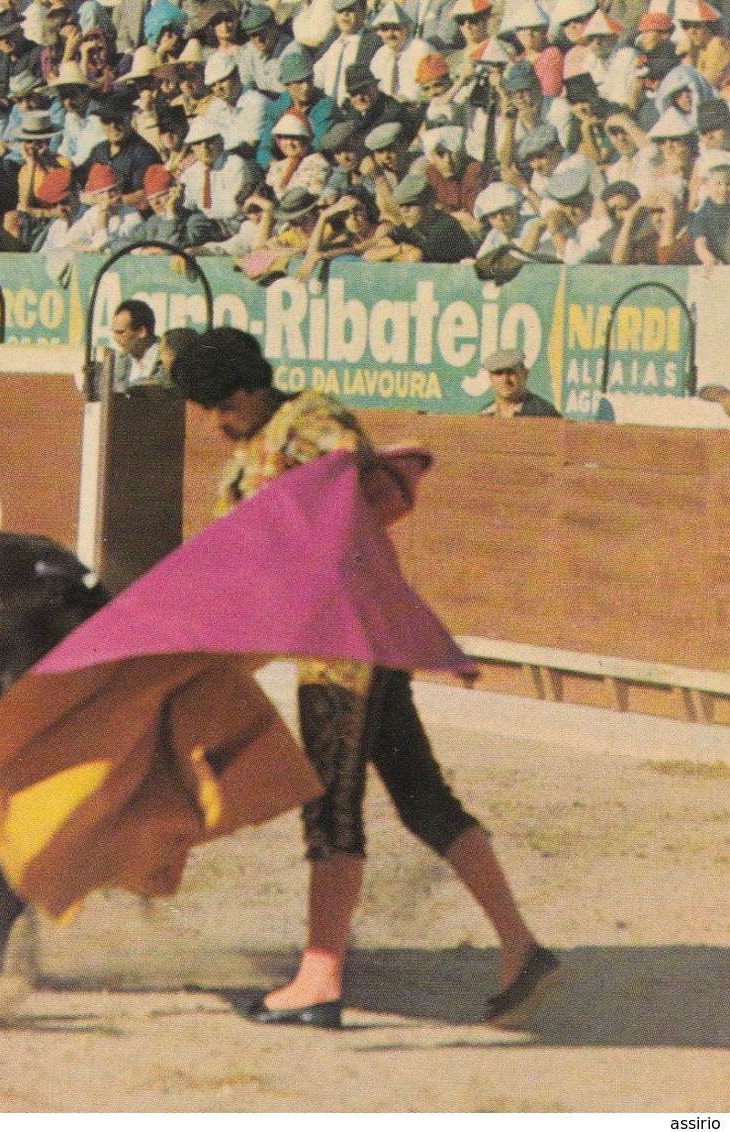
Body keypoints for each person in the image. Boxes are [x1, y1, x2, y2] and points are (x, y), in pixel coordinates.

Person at [163, 326, 559, 1030]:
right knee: (421, 797)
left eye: (220, 408)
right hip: (347, 643)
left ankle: (320, 978)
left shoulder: (310, 421)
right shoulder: (256, 444)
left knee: (331, 807)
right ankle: (522, 946)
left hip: (344, 649)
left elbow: (345, 484)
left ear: (249, 391)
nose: (216, 423)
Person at [478, 346, 561, 417]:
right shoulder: (485, 413)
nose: (505, 380)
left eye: (511, 372)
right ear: (490, 378)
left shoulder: (543, 413)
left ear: (524, 374)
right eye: (498, 373)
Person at [109, 297, 164, 391]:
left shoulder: (167, 358)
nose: (116, 339)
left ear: (141, 331)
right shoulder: (117, 363)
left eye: (121, 332)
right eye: (114, 332)